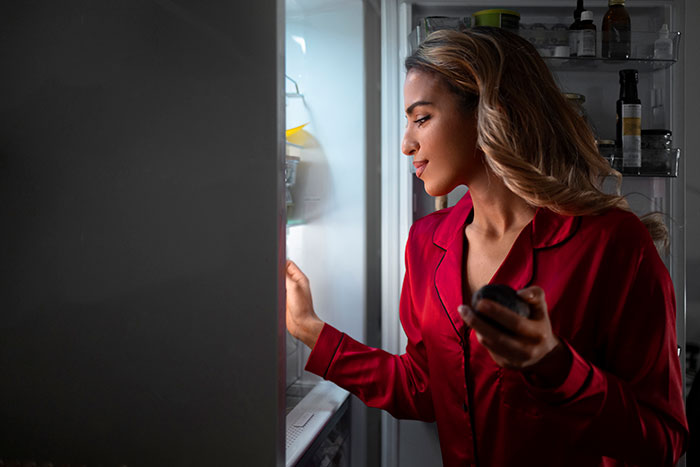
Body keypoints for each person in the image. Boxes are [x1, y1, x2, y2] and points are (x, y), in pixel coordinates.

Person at [285, 27, 688, 466]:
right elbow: (423, 389)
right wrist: (309, 328)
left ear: (489, 112)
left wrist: (557, 367)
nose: (406, 144)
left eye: (421, 118)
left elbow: (662, 443)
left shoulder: (611, 243)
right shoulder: (426, 242)